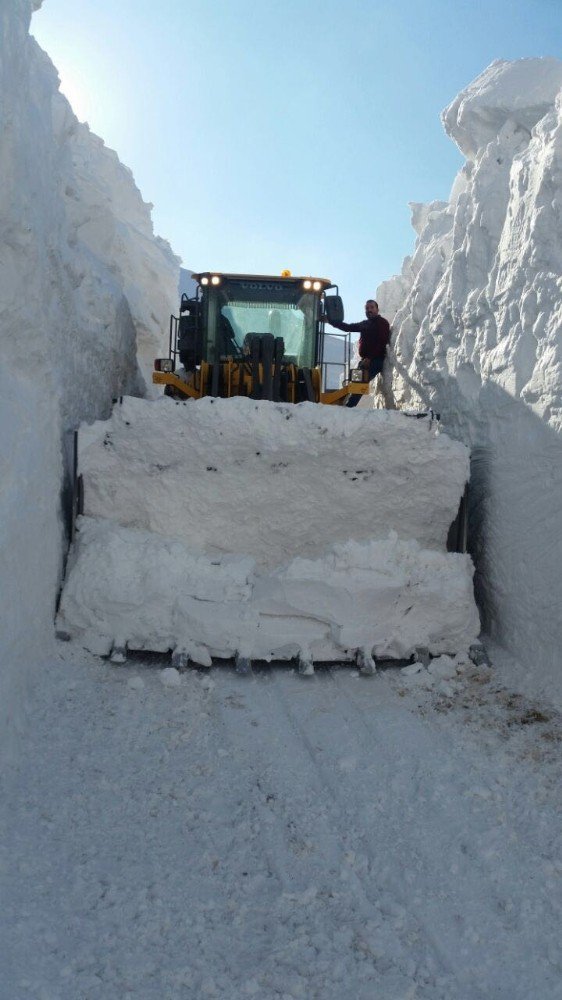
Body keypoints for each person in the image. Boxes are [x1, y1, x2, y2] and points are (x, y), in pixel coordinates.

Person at [325, 299, 391, 407]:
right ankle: (348, 405)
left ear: (377, 309)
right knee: (355, 383)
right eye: (367, 308)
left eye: (372, 308)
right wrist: (331, 321)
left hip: (375, 360)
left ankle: (350, 407)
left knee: (360, 383)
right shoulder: (365, 324)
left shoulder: (382, 323)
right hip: (365, 361)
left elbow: (382, 342)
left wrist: (370, 358)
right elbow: (348, 327)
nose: (369, 310)